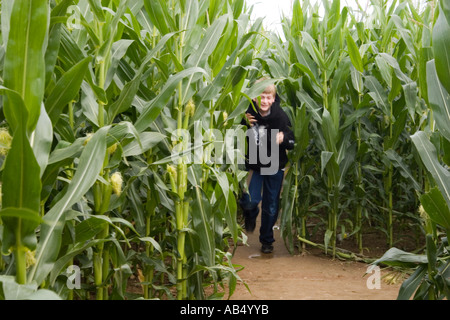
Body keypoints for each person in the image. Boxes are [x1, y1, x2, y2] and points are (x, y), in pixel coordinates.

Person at [239, 78, 295, 254]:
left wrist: (283, 139)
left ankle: (267, 240)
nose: (264, 101)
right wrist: (242, 122)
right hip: (256, 167)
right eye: (261, 97)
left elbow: (292, 141)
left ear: (273, 98)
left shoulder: (280, 116)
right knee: (249, 201)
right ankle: (249, 215)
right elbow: (234, 130)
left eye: (268, 98)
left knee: (271, 206)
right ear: (254, 97)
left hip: (275, 167)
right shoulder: (247, 114)